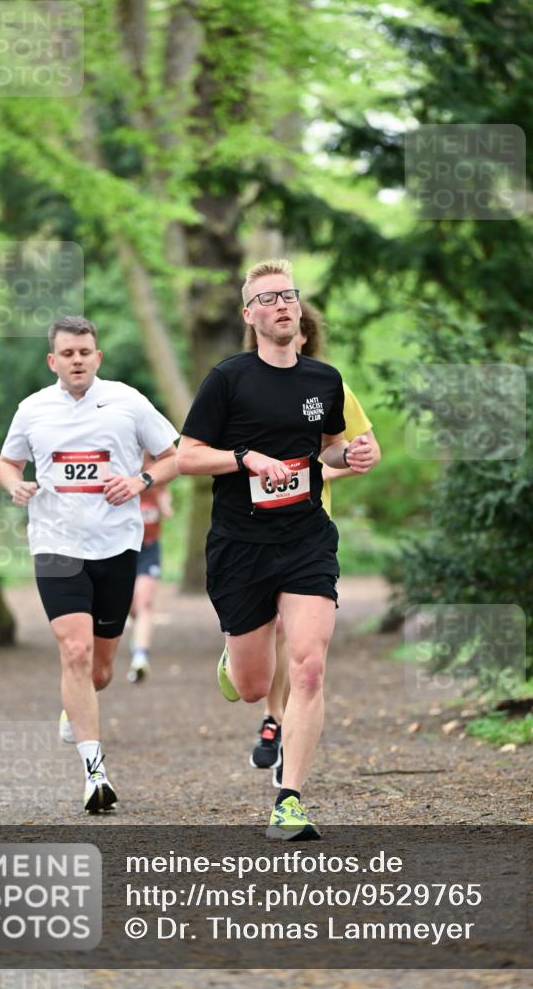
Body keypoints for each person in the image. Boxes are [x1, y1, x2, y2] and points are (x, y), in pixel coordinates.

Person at [177, 259, 379, 840]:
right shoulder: (228, 379)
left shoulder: (325, 380)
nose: (281, 304)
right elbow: (187, 456)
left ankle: (289, 800)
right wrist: (244, 458)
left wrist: (351, 456)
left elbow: (330, 448)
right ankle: (235, 655)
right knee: (252, 687)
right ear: (250, 315)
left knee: (309, 666)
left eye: (287, 295)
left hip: (306, 537)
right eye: (267, 299)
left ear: (298, 309)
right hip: (240, 545)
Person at [0, 316, 178, 812]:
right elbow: (8, 462)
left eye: (84, 352)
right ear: (52, 361)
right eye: (67, 353)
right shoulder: (32, 409)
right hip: (55, 544)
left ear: (97, 357)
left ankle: (74, 707)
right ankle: (95, 774)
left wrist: (140, 481)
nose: (77, 360)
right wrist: (15, 485)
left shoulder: (129, 402)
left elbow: (172, 456)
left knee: (99, 671)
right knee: (74, 652)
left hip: (117, 545)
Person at [243, 302, 380, 786]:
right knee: (269, 634)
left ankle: (278, 726)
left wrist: (334, 466)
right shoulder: (243, 385)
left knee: (301, 645)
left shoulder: (329, 387)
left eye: (299, 328)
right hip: (252, 533)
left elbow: (361, 448)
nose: (291, 334)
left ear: (306, 336)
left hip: (308, 530)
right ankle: (263, 695)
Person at [127, 453, 173, 683]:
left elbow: (167, 508)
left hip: (148, 549)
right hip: (123, 550)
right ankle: (138, 632)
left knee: (145, 601)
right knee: (129, 605)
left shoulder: (158, 480)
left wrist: (163, 502)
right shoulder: (123, 477)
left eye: (150, 459)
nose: (147, 464)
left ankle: (140, 657)